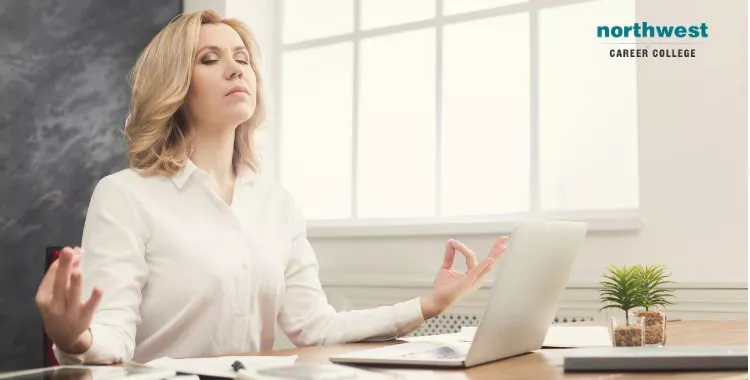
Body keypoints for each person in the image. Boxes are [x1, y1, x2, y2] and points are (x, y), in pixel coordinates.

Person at [34, 10, 507, 364]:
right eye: (210, 59)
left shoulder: (277, 203)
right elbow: (112, 339)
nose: (237, 69)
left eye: (243, 59)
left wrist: (430, 305)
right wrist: (74, 337)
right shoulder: (125, 195)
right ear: (175, 85)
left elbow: (314, 327)